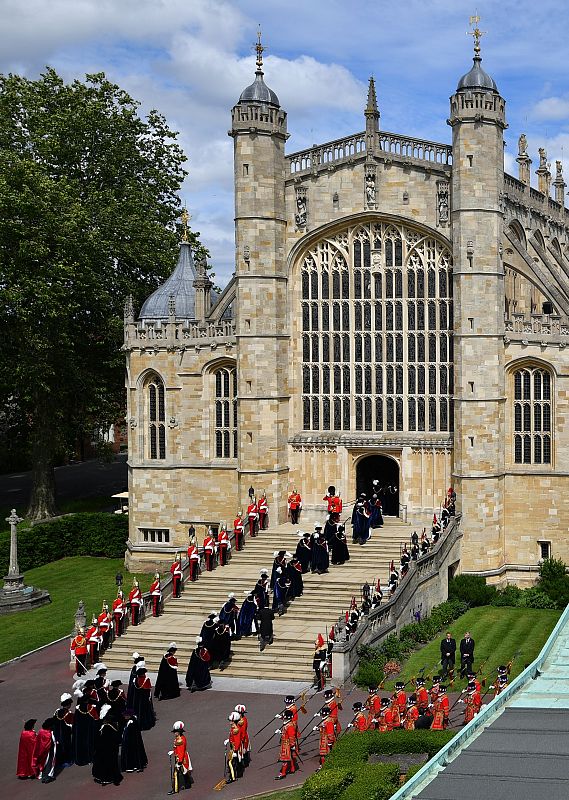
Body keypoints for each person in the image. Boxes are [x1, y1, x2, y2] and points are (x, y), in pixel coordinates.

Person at [92, 705, 122, 786]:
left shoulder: (105, 728)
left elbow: (100, 739)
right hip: (111, 750)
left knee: (106, 764)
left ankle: (107, 778)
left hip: (105, 750)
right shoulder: (113, 726)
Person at [73, 696, 99, 766]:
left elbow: (75, 720)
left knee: (81, 744)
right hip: (88, 730)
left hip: (80, 729)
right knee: (89, 743)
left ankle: (81, 759)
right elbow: (96, 718)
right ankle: (89, 759)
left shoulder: (78, 708)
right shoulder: (91, 708)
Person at [120, 708, 147, 773]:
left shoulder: (132, 724)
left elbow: (132, 735)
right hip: (130, 743)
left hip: (132, 743)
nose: (124, 716)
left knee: (133, 754)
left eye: (125, 715)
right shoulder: (130, 722)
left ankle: (135, 766)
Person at [169, 721, 193, 793]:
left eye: (176, 731)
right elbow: (177, 748)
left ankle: (175, 789)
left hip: (181, 758)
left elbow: (181, 751)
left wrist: (179, 763)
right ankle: (188, 784)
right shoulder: (180, 737)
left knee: (176, 774)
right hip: (181, 757)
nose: (174, 733)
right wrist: (173, 751)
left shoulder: (180, 739)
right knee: (184, 772)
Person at [275, 708, 298, 780]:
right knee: (290, 756)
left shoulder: (290, 726)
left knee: (285, 759)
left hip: (287, 744)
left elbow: (291, 737)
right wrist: (281, 732)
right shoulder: (288, 723)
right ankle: (292, 768)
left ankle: (283, 773)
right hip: (285, 743)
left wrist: (292, 745)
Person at [52, 693, 74, 769]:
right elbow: (72, 725)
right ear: (68, 705)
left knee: (60, 747)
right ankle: (67, 761)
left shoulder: (57, 711)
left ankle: (60, 761)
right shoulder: (69, 714)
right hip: (66, 734)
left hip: (57, 733)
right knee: (67, 747)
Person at [32, 718, 57, 783]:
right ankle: (48, 777)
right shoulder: (50, 733)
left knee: (43, 763)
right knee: (50, 762)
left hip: (42, 750)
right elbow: (53, 742)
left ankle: (42, 775)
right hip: (50, 750)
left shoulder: (41, 731)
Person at [132, 665, 156, 730]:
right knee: (145, 710)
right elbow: (148, 690)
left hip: (137, 698)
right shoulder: (146, 680)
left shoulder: (135, 680)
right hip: (144, 699)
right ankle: (146, 724)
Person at [225, 712, 243, 783]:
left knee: (230, 763)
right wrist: (228, 740)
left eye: (230, 721)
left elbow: (237, 741)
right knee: (234, 763)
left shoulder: (235, 729)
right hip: (233, 747)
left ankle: (233, 777)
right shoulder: (234, 728)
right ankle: (236, 774)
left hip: (234, 749)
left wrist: (235, 751)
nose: (229, 722)